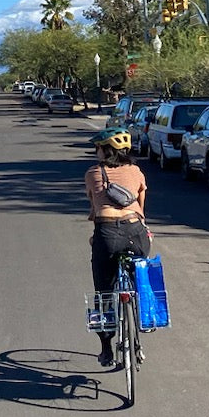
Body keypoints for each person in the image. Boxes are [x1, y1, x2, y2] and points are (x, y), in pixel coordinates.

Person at [85, 127, 151, 368]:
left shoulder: (93, 173)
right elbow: (142, 204)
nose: (96, 152)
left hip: (108, 232)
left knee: (103, 291)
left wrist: (96, 236)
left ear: (105, 150)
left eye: (98, 148)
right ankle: (145, 316)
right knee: (140, 277)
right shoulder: (136, 171)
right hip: (137, 232)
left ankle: (106, 350)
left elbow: (94, 209)